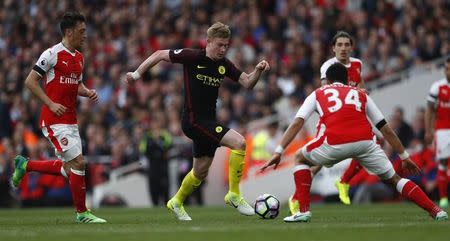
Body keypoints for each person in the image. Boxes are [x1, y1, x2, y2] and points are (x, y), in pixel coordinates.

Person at [261, 62, 447, 222]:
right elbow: (385, 128)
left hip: (334, 142)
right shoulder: (361, 94)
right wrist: (404, 156)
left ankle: (303, 211)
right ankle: (436, 211)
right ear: (346, 79)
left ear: (326, 79)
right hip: (365, 143)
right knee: (395, 180)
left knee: (300, 157)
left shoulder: (318, 93)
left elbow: (297, 122)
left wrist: (278, 151)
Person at [125, 22, 270, 221]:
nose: (223, 49)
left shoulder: (223, 65)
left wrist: (258, 70)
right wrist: (136, 74)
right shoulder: (193, 57)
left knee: (200, 172)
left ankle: (176, 202)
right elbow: (159, 54)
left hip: (207, 122)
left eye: (226, 45)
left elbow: (247, 83)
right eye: (220, 45)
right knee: (240, 143)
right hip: (193, 120)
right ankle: (234, 195)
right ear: (208, 42)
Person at [10, 11, 106, 223]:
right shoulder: (51, 54)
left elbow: (76, 84)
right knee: (79, 163)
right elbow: (30, 81)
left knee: (69, 168)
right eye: (81, 32)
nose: (85, 35)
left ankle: (25, 165)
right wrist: (51, 104)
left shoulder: (79, 58)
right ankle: (82, 213)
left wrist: (87, 91)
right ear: (69, 32)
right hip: (53, 119)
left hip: (71, 120)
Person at [289, 31, 367, 213]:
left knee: (369, 147)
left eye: (347, 44)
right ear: (333, 48)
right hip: (331, 120)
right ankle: (296, 198)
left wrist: (363, 91)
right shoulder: (328, 66)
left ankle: (343, 182)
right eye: (339, 45)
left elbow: (361, 85)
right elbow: (326, 92)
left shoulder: (357, 64)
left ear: (351, 47)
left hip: (353, 116)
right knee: (316, 165)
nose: (343, 48)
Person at [425, 57, 450, 208]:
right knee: (443, 163)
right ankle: (443, 198)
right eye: (447, 68)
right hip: (443, 131)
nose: (449, 71)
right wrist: (429, 130)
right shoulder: (437, 87)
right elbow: (429, 109)